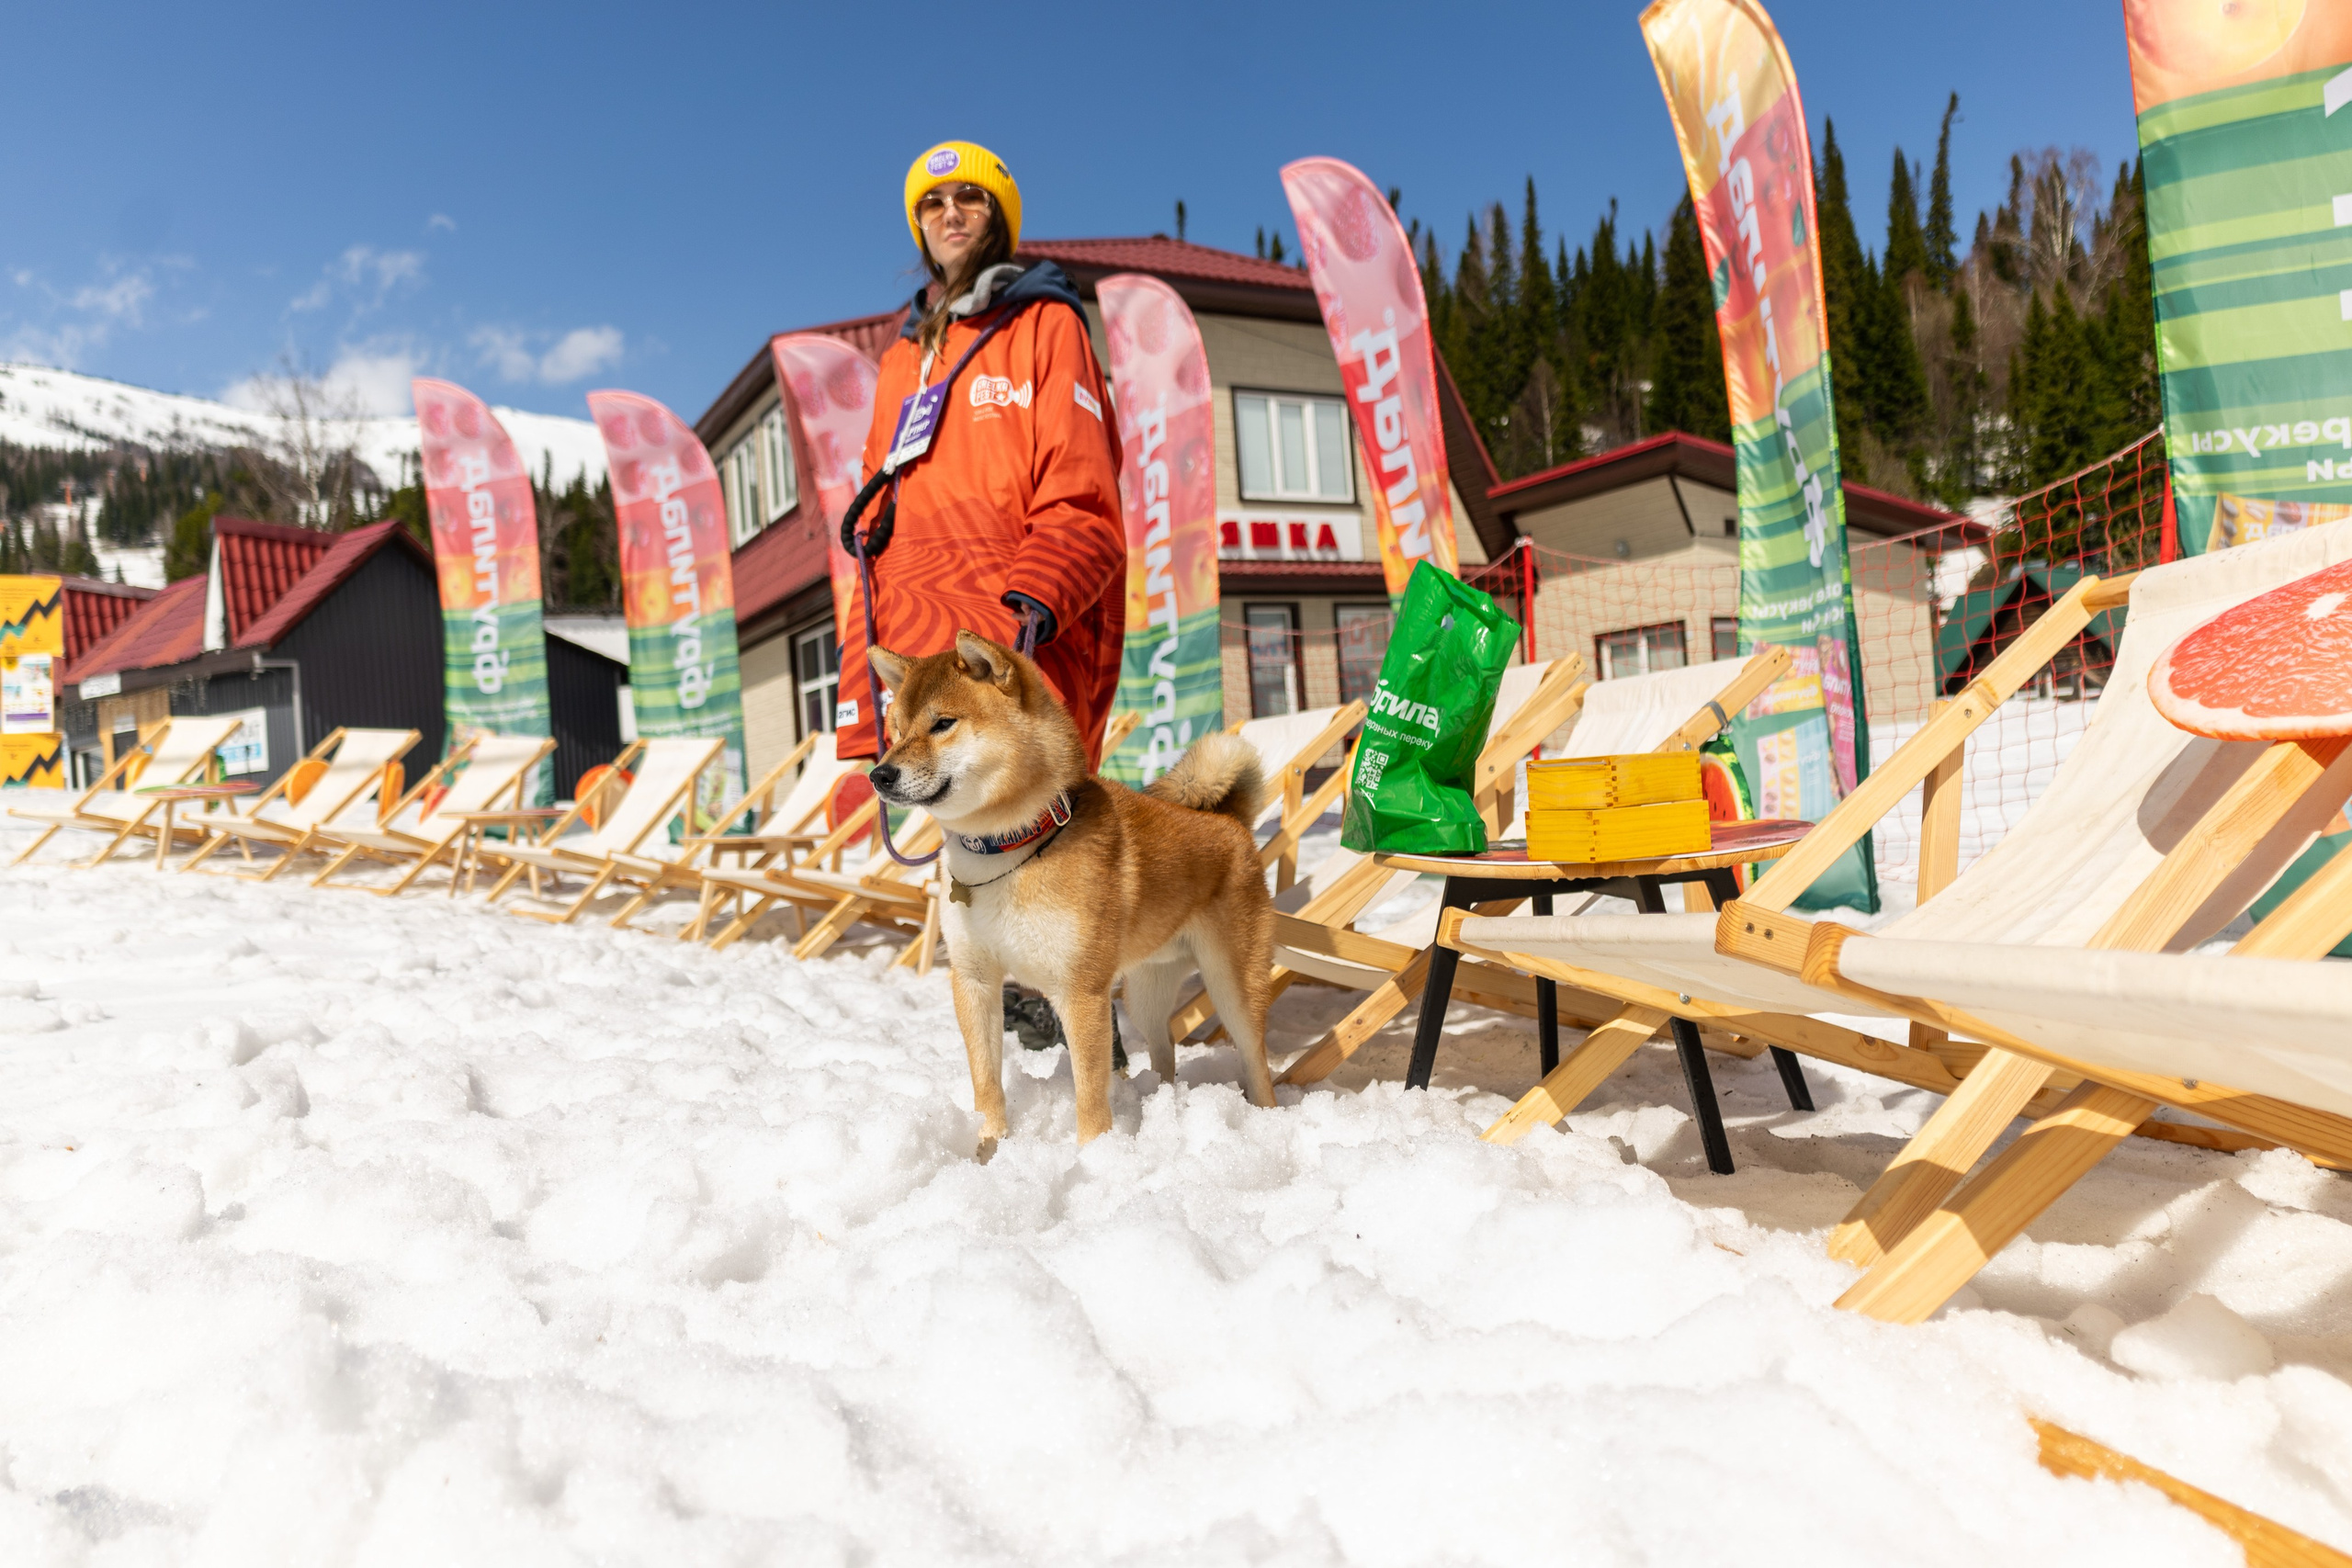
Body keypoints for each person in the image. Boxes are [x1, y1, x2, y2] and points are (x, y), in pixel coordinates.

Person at [837, 139, 1126, 766]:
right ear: (919, 226)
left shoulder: (1047, 324)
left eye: (971, 196)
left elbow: (1082, 485)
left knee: (1039, 851)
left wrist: (1034, 610)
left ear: (999, 216)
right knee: (952, 859)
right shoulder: (900, 363)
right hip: (916, 652)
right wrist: (864, 665)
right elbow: (870, 534)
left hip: (1012, 642)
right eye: (933, 202)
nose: (952, 212)